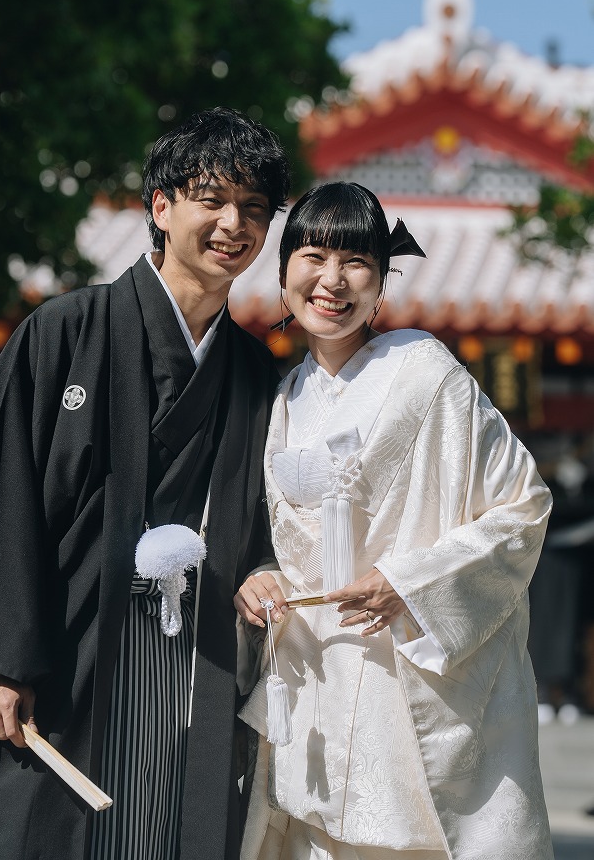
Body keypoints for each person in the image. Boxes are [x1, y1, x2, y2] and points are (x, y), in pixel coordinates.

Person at [0, 107, 290, 860]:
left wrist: (263, 567)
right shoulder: (65, 331)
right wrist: (2, 659)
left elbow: (271, 517)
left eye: (254, 210)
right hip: (57, 662)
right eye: (213, 200)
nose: (233, 224)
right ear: (161, 207)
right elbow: (3, 501)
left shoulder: (256, 374)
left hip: (189, 668)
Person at [235, 182, 554, 860]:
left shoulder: (424, 374)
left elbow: (522, 507)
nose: (331, 280)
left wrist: (410, 581)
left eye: (356, 263)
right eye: (313, 256)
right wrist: (261, 577)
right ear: (284, 268)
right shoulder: (285, 397)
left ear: (380, 282)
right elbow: (287, 546)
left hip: (402, 678)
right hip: (312, 682)